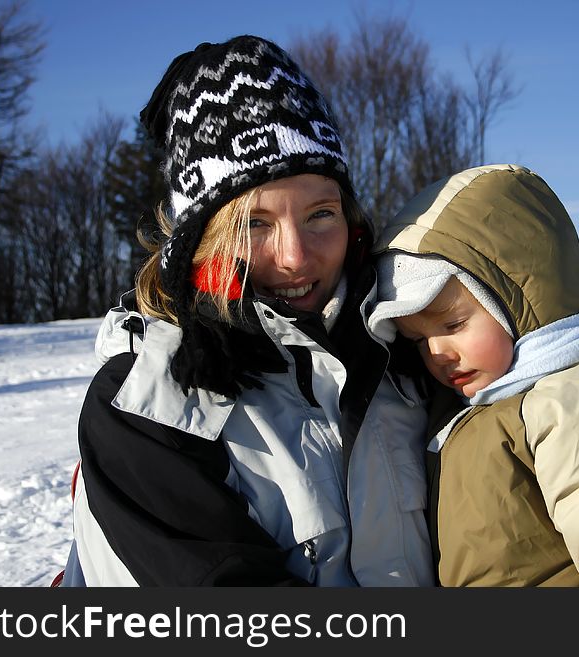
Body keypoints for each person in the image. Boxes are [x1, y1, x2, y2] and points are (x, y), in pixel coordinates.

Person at [58, 35, 434, 586]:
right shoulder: (147, 406)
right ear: (201, 240)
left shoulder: (406, 359)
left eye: (320, 214)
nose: (296, 257)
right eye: (254, 224)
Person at [367, 164, 579, 586]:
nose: (437, 352)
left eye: (453, 325)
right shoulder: (481, 403)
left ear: (516, 296)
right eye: (418, 340)